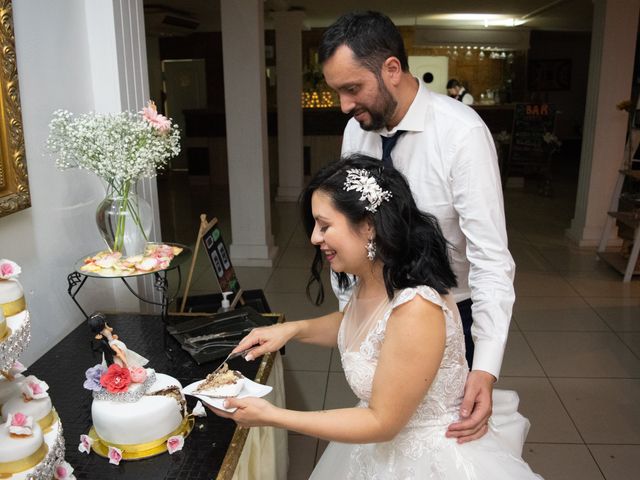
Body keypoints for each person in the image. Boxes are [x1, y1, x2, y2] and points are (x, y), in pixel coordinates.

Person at [211, 156, 541, 479]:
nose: (314, 237)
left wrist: (273, 416)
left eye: (324, 225)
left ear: (368, 226)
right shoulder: (375, 277)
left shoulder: (416, 309)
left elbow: (383, 423)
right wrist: (290, 330)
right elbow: (360, 326)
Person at [317, 11, 515, 444]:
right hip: (377, 313)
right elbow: (354, 227)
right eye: (337, 92)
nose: (345, 106)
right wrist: (353, 311)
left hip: (447, 318)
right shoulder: (357, 131)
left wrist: (485, 365)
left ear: (391, 69)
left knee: (432, 445)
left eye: (352, 89)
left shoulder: (462, 135)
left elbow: (490, 258)